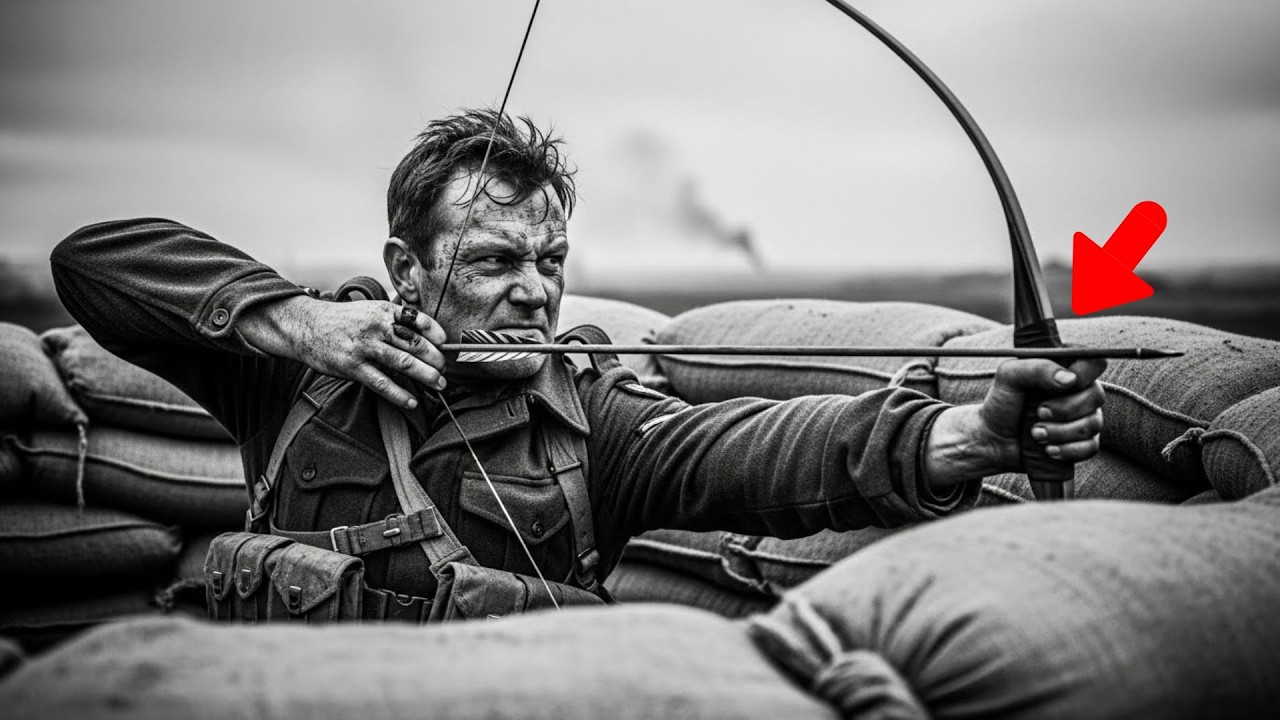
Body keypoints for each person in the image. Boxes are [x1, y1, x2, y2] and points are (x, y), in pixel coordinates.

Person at [50, 109, 1105, 611]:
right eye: (496, 258)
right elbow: (93, 262)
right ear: (402, 272)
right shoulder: (290, 374)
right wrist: (298, 323)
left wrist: (967, 433)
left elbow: (753, 451)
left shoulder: (590, 421)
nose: (534, 289)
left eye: (550, 260)